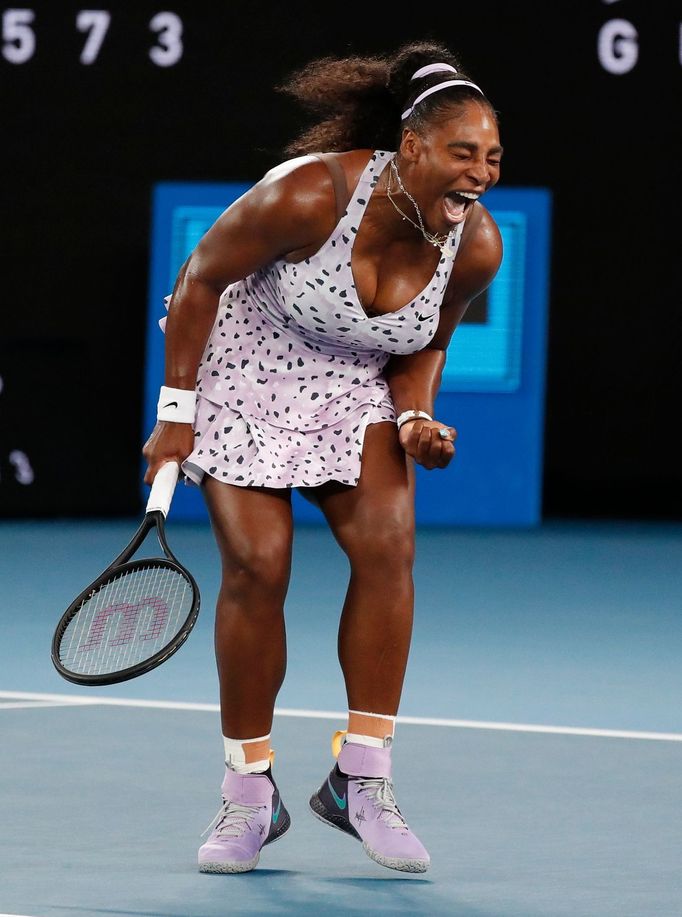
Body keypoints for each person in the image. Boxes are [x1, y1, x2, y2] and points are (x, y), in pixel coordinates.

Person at [143, 39, 503, 875]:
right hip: (246, 362)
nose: (479, 172)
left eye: (491, 157)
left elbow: (424, 344)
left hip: (353, 384)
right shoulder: (310, 192)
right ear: (411, 146)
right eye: (462, 152)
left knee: (388, 549)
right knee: (259, 567)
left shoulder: (475, 246)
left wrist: (416, 416)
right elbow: (199, 280)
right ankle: (248, 794)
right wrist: (174, 413)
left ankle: (361, 779)